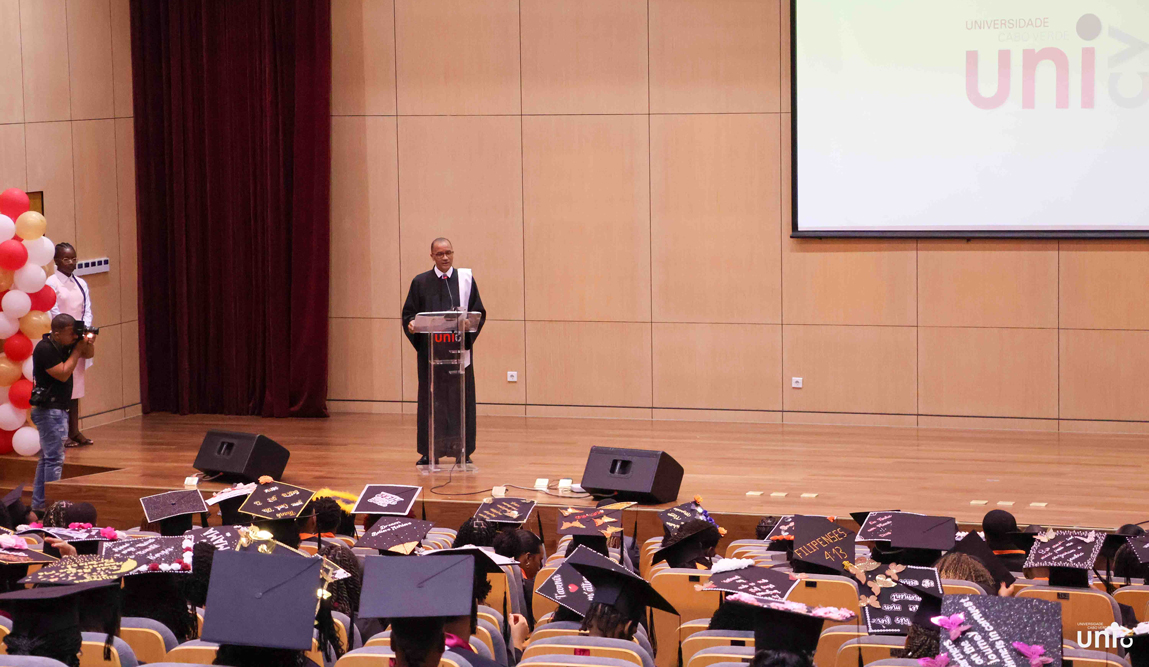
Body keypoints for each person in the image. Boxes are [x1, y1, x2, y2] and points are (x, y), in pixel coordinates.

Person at [401, 238, 487, 466]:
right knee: (432, 403)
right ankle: (430, 452)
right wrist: (411, 324)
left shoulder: (465, 280)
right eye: (440, 254)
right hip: (432, 356)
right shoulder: (420, 282)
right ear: (432, 256)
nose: (445, 257)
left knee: (461, 402)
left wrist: (469, 326)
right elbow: (409, 314)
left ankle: (462, 451)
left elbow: (478, 311)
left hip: (458, 355)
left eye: (448, 253)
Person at [31, 314, 94, 513]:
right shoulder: (45, 349)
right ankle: (52, 508)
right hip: (49, 411)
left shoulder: (63, 343)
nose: (74, 337)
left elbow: (89, 354)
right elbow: (63, 372)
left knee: (47, 459)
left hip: (56, 410)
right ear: (57, 334)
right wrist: (77, 349)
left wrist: (87, 342)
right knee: (54, 460)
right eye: (71, 334)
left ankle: (40, 505)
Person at [46, 242, 96, 448]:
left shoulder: (81, 283)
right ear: (56, 261)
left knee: (76, 387)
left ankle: (74, 431)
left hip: (78, 338)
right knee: (62, 388)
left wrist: (83, 330)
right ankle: (62, 434)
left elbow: (87, 309)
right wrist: (68, 331)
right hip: (61, 339)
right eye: (67, 259)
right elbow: (54, 311)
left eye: (74, 258)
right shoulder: (51, 283)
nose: (71, 263)